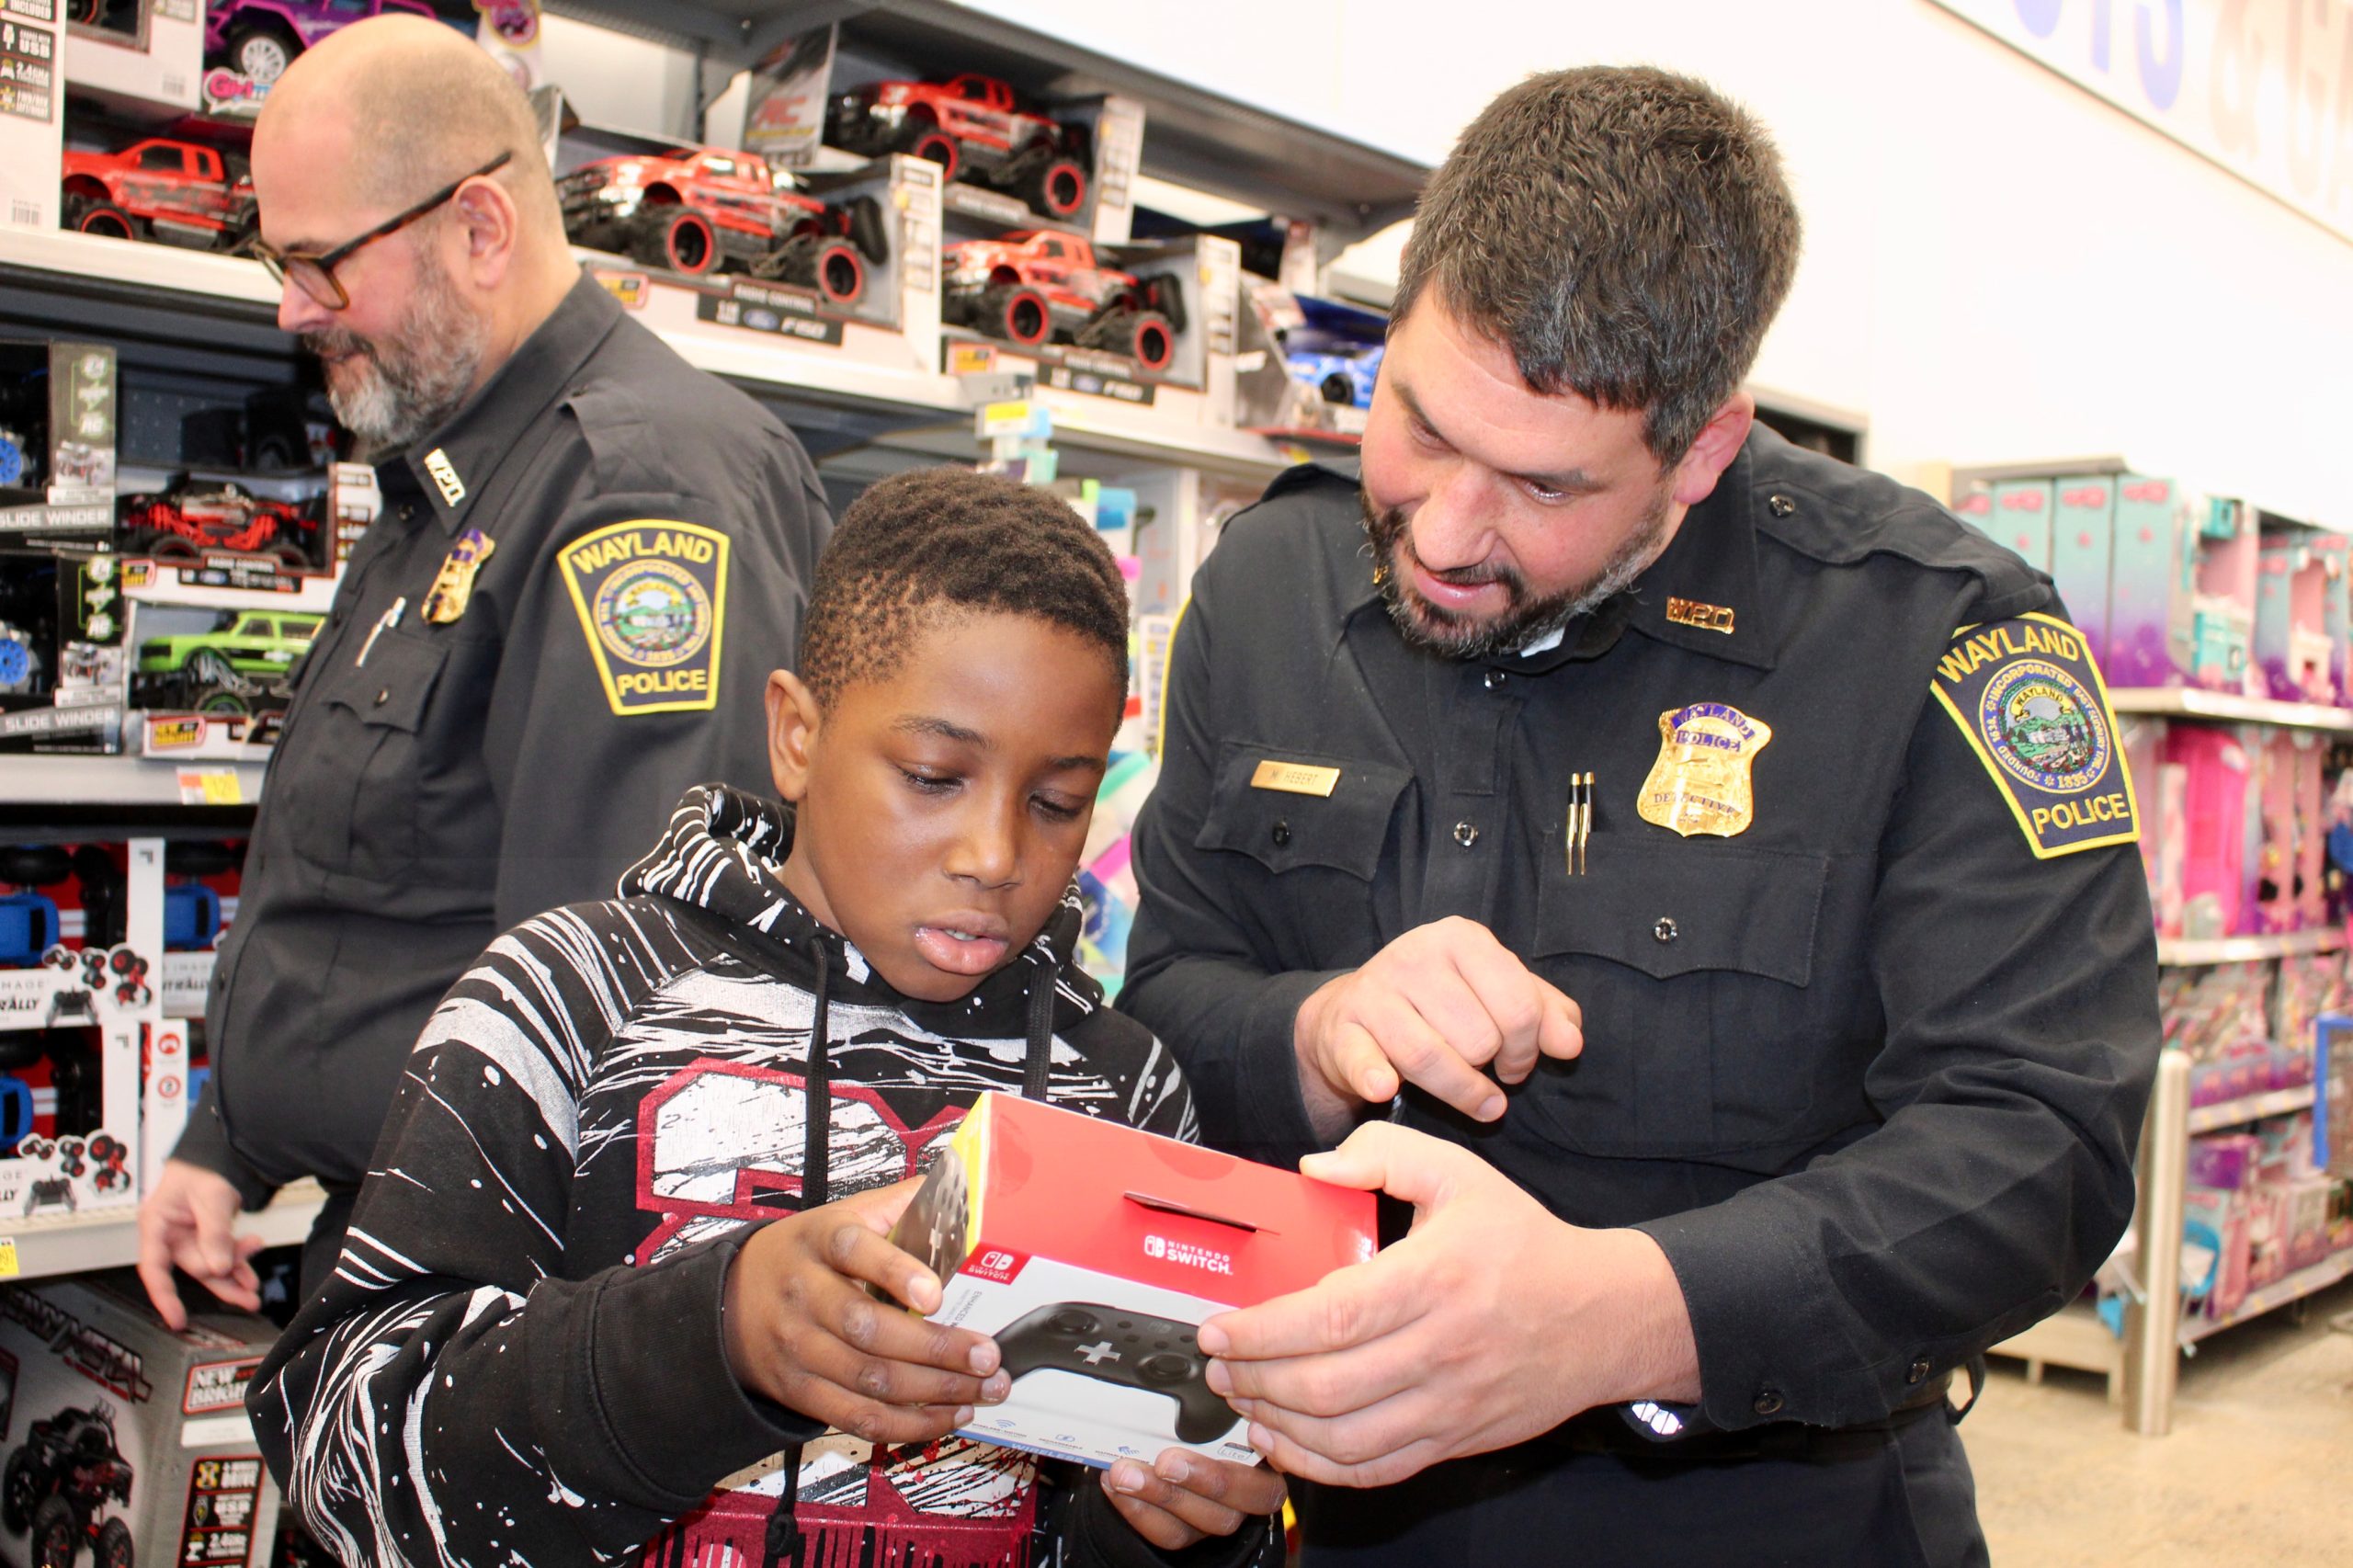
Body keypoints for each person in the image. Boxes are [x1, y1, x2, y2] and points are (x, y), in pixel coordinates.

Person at [1119, 65, 2162, 1566]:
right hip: (1331, 1514)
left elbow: (2039, 1147)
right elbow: (1162, 1006)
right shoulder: (1269, 586)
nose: (1444, 529)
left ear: (1705, 450)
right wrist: (1319, 1032)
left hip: (1774, 1515)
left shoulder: (1936, 639)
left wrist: (1623, 1322)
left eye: (1543, 485)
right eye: (1416, 422)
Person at [248, 467, 1287, 1568]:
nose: (994, 856)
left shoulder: (1121, 1096)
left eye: (1056, 802)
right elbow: (341, 1461)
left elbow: (1142, 1511)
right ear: (795, 732)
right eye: (933, 775)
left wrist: (1171, 1530)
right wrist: (718, 1337)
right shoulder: (567, 1000)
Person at [136, 15, 831, 1326]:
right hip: (404, 1240)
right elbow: (372, 869)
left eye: (319, 267)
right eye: (273, 261)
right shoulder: (452, 472)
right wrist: (231, 1137)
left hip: (513, 1294)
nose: (291, 310)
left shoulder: (636, 493)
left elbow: (615, 1003)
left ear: (480, 229)